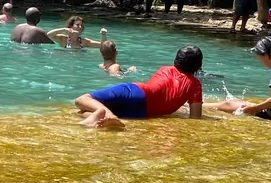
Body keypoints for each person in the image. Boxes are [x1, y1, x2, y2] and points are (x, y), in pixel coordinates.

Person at [75, 45, 204, 129]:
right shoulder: (195, 84)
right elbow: (195, 117)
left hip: (136, 92)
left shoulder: (166, 68)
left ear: (177, 59)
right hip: (143, 112)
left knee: (82, 100)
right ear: (198, 66)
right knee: (82, 111)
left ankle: (110, 116)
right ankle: (108, 117)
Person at [209, 36, 271, 119]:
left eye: (260, 57)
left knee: (228, 104)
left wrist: (255, 108)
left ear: (267, 53)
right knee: (237, 102)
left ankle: (198, 106)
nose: (261, 61)